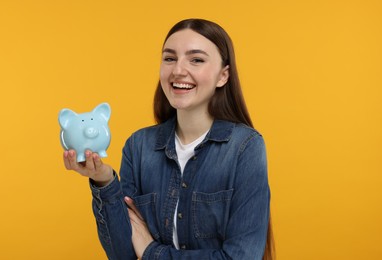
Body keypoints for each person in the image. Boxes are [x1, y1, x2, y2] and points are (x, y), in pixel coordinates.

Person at [63, 18, 275, 260]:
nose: (177, 70)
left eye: (196, 59)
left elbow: (241, 257)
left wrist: (152, 252)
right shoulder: (139, 146)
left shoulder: (245, 147)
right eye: (170, 58)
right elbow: (122, 254)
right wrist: (103, 181)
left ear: (223, 76)